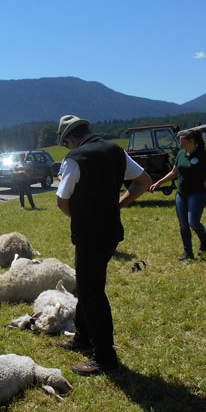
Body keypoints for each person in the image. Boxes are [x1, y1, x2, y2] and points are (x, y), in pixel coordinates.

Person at [55, 115, 152, 376]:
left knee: (93, 293)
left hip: (89, 235)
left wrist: (79, 217)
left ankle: (105, 357)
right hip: (111, 233)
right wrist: (117, 204)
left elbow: (62, 200)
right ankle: (83, 338)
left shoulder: (75, 158)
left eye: (66, 144)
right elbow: (144, 181)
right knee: (87, 287)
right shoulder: (115, 150)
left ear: (69, 138)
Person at [149, 128, 206, 260]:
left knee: (193, 222)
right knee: (183, 224)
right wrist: (159, 182)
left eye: (182, 141)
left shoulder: (203, 155)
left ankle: (204, 241)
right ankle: (187, 252)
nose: (180, 144)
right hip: (181, 194)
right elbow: (174, 172)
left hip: (197, 193)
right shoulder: (180, 154)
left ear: (192, 141)